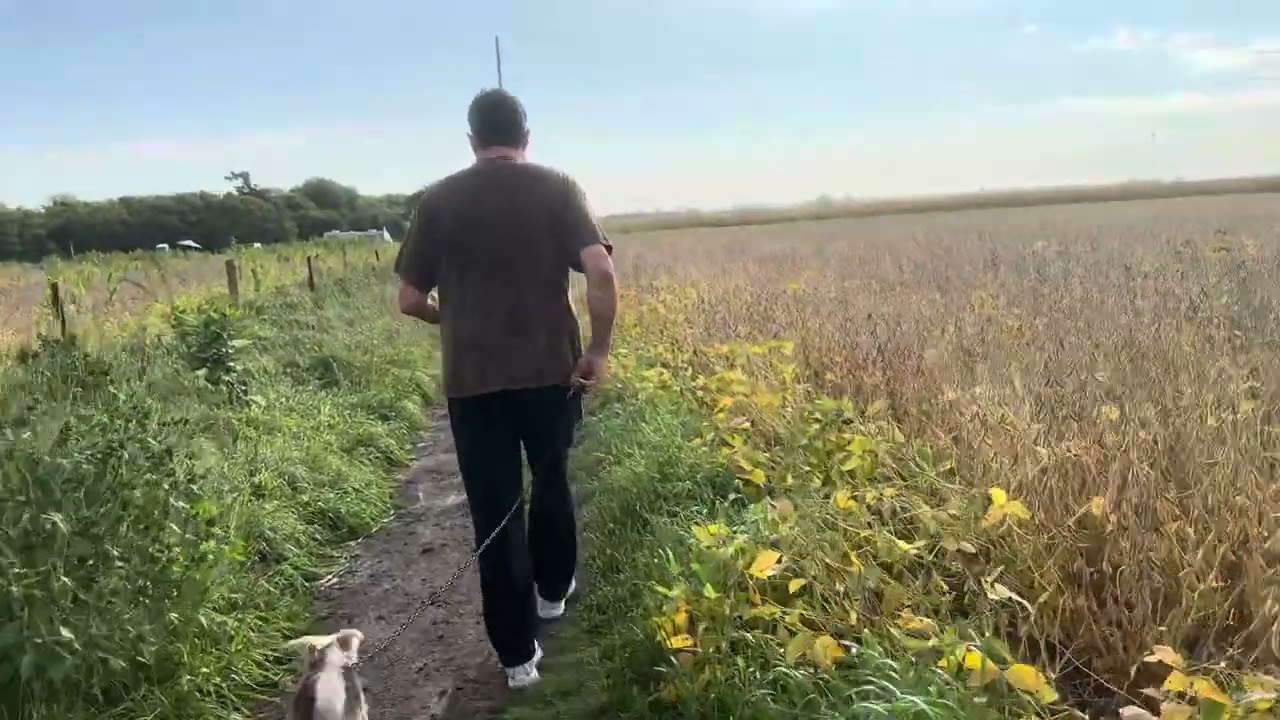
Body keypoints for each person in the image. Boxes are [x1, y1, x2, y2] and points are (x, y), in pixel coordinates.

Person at [393, 88, 617, 690]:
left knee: (494, 513)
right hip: (552, 372)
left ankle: (518, 660)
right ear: (526, 137)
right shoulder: (559, 187)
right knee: (550, 479)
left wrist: (454, 318)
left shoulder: (438, 199)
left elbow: (410, 298)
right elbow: (600, 268)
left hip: (473, 382)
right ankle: (551, 597)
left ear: (471, 140)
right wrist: (596, 349)